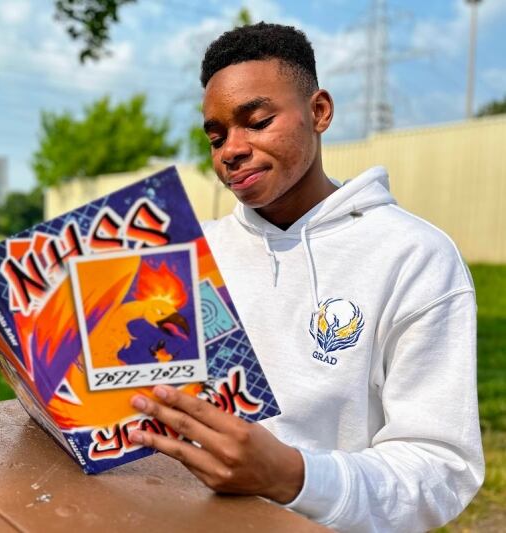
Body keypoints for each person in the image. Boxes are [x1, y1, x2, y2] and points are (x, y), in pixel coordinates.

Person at [127, 22, 484, 532]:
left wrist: (295, 477)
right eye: (216, 136)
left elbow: (441, 467)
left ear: (319, 112)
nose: (231, 149)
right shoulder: (191, 255)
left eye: (257, 120)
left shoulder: (415, 257)